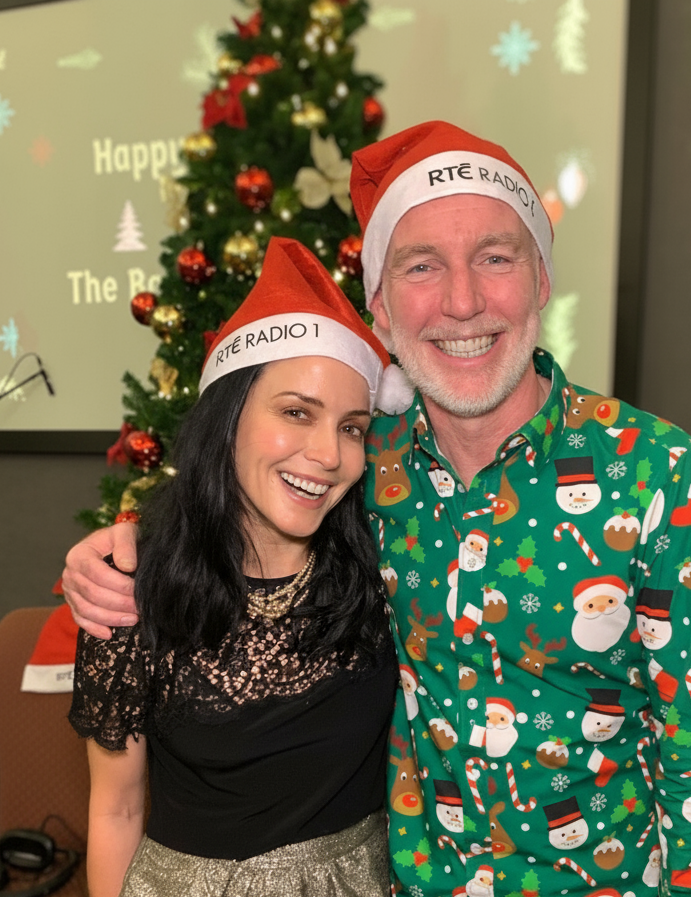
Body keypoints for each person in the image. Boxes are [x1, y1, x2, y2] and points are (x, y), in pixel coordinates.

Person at [65, 122, 691, 896]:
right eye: (423, 265)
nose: (462, 300)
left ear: (543, 280)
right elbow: (241, 499)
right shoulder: (362, 468)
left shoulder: (654, 472)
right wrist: (118, 553)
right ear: (381, 310)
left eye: (496, 256)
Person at [67, 237, 400, 896]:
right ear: (230, 416)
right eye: (296, 412)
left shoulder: (385, 569)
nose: (327, 453)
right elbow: (117, 807)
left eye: (352, 426)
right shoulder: (133, 590)